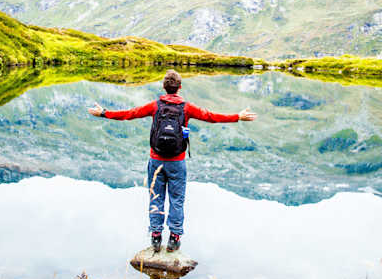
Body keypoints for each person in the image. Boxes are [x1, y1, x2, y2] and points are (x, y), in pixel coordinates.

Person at [88, 69, 256, 253]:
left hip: (156, 160)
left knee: (156, 197)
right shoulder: (187, 108)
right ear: (179, 87)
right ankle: (174, 239)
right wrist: (237, 117)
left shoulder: (155, 106)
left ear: (164, 87)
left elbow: (130, 114)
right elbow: (211, 117)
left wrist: (104, 113)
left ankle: (156, 237)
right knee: (177, 200)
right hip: (177, 162)